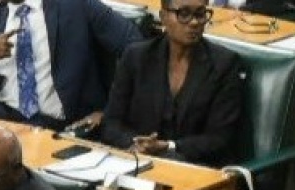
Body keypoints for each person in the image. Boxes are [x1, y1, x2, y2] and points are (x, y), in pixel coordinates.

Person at [0, 0, 140, 130]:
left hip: (62, 122)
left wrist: (108, 111)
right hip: (6, 115)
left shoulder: (76, 5)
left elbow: (136, 47)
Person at [98, 0, 243, 166]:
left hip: (195, 167)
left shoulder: (224, 64)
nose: (194, 22)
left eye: (200, 14)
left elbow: (220, 138)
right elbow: (111, 122)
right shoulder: (136, 57)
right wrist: (138, 144)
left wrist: (169, 147)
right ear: (163, 17)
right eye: (184, 14)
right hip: (137, 160)